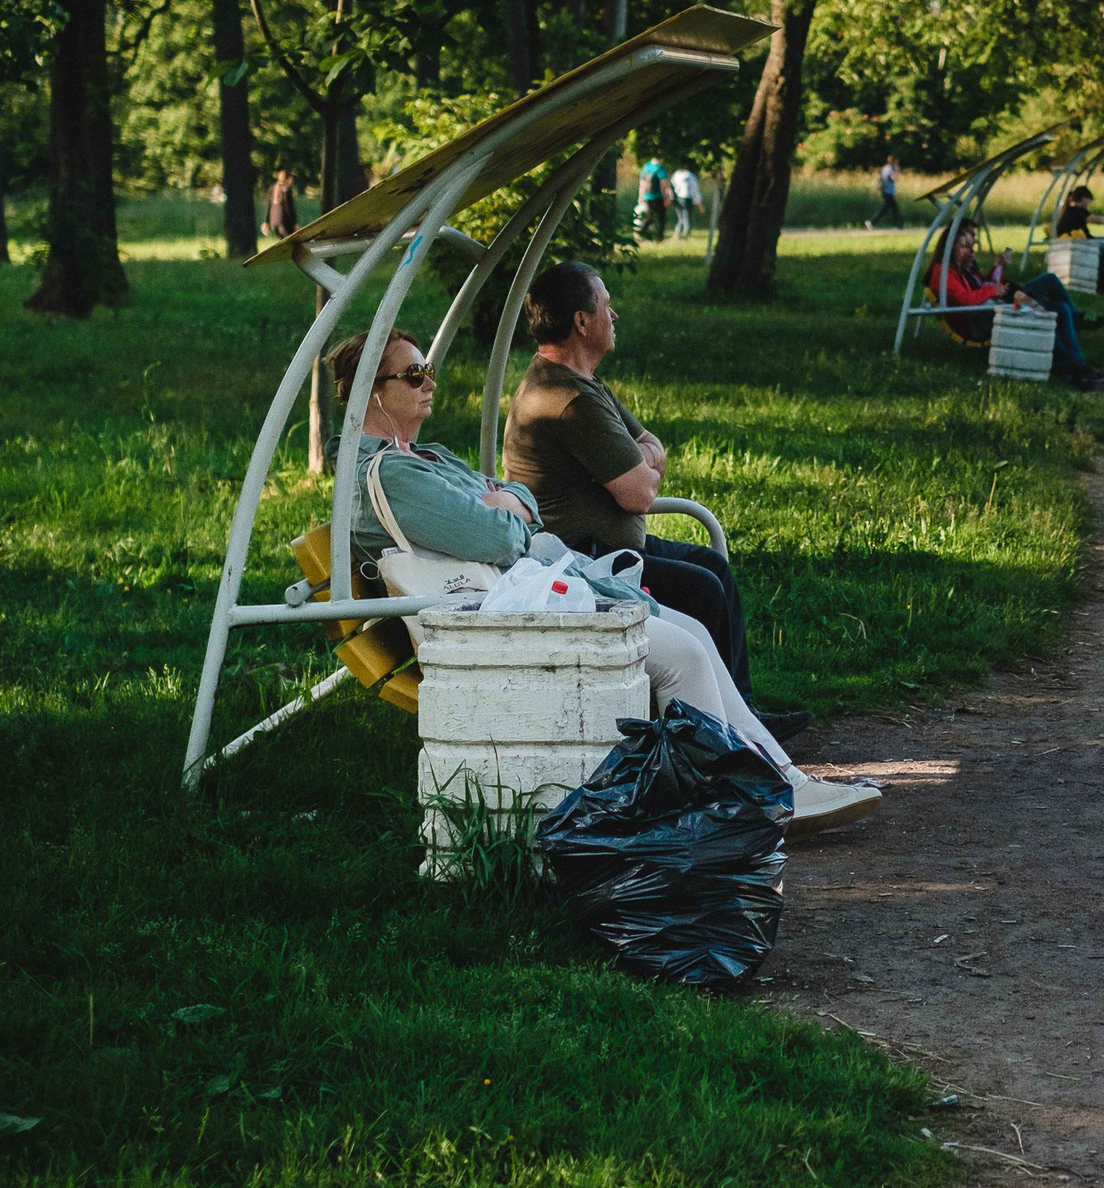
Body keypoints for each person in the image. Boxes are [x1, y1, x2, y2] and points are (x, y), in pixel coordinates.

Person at [328, 326, 874, 829]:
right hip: (493, 626)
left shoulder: (423, 457)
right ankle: (756, 795)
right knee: (679, 653)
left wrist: (506, 504)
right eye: (413, 375)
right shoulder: (393, 476)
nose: (429, 383)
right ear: (370, 393)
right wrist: (505, 510)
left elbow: (519, 503)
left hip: (518, 599)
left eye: (428, 371)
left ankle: (777, 781)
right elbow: (500, 535)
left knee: (693, 632)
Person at [500, 263, 802, 741]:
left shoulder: (581, 382)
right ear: (582, 321)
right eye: (606, 305)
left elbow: (651, 446)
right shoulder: (566, 397)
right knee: (702, 586)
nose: (614, 315)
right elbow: (640, 493)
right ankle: (710, 734)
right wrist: (642, 464)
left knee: (713, 569)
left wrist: (642, 461)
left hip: (609, 548)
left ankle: (741, 716)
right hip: (583, 562)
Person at [937, 222, 1104, 388]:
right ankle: (1071, 366)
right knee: (1042, 307)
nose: (972, 249)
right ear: (951, 248)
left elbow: (980, 287)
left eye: (971, 244)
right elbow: (966, 299)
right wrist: (993, 290)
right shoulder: (944, 272)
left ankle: (1076, 363)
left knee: (1060, 309)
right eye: (965, 246)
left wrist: (997, 274)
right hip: (982, 319)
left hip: (990, 310)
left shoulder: (961, 270)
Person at [635, 158, 669, 240]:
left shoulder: (646, 166)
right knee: (661, 217)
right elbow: (663, 183)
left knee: (649, 216)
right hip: (658, 196)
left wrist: (640, 196)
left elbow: (642, 183)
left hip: (647, 196)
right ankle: (659, 237)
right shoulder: (660, 168)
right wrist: (666, 196)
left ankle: (640, 232)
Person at [867, 154, 903, 229]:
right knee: (887, 209)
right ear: (893, 161)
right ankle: (871, 222)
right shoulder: (890, 169)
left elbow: (880, 179)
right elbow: (895, 178)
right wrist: (897, 170)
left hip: (885, 191)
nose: (897, 162)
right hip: (888, 192)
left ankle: (896, 225)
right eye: (896, 161)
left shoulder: (885, 168)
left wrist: (876, 189)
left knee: (893, 208)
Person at [264, 168, 299, 241]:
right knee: (292, 243)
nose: (292, 181)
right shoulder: (286, 190)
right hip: (284, 223)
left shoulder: (272, 188)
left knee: (282, 243)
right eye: (291, 178)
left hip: (274, 222)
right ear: (288, 179)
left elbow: (269, 206)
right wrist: (294, 224)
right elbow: (288, 208)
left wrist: (266, 222)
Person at [669, 165, 700, 240]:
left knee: (680, 217)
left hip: (677, 198)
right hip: (687, 198)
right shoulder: (690, 176)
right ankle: (685, 234)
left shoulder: (676, 175)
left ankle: (678, 233)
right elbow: (694, 190)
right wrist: (698, 202)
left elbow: (671, 186)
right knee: (686, 217)